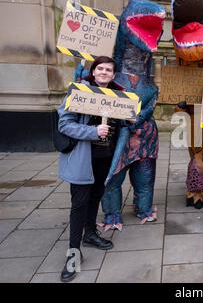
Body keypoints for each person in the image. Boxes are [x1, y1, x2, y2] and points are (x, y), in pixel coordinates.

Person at [58, 56, 123, 282]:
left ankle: (90, 234)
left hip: (104, 158)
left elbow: (122, 123)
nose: (104, 72)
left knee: (95, 197)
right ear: (93, 71)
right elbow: (64, 124)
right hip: (83, 159)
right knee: (79, 205)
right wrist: (93, 132)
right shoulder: (78, 91)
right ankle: (73, 255)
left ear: (113, 75)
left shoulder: (118, 96)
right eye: (100, 68)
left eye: (109, 70)